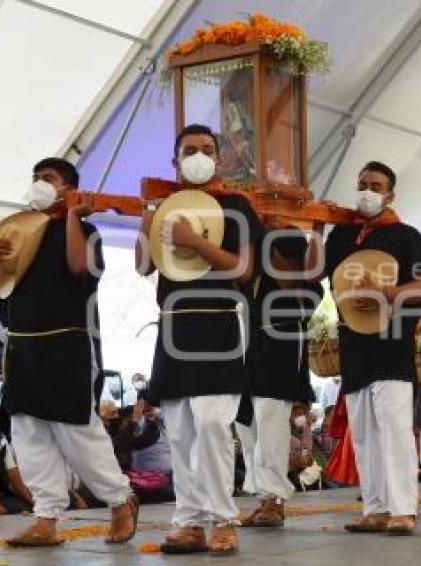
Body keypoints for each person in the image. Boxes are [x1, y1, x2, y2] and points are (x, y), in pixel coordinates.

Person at [0, 157, 137, 547]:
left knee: (77, 432)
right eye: (35, 178)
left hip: (68, 342)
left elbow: (79, 267)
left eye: (48, 178)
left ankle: (119, 501)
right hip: (22, 345)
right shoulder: (16, 231)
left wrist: (74, 215)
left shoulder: (85, 230)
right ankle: (46, 518)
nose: (38, 184)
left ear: (68, 187)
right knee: (28, 433)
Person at [136, 124, 263, 555]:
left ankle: (223, 518)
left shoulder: (236, 206)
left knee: (212, 423)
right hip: (173, 323)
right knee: (180, 432)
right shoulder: (164, 204)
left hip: (219, 321)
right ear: (175, 161)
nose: (198, 156)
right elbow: (142, 266)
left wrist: (193, 241)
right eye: (189, 150)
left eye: (206, 149)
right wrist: (149, 218)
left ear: (220, 159)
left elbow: (242, 271)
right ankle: (188, 520)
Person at [307, 161, 421, 535]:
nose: (367, 190)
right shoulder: (342, 235)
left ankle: (403, 510)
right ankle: (376, 508)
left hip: (392, 344)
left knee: (394, 428)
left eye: (376, 185)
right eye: (362, 183)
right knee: (364, 431)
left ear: (390, 194)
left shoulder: (406, 236)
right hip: (353, 341)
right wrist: (318, 227)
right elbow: (311, 273)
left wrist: (387, 293)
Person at [236, 217, 322, 528]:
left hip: (281, 346)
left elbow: (288, 279)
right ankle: (262, 497)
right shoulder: (251, 270)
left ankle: (274, 499)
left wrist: (268, 236)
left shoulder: (306, 286)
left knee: (270, 422)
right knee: (247, 425)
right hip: (246, 346)